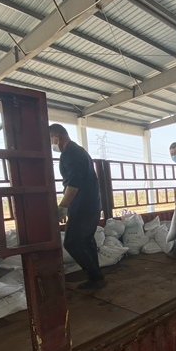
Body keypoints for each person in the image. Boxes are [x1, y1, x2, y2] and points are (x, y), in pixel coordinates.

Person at [50, 123, 104, 290]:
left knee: (72, 242)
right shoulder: (79, 151)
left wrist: (62, 207)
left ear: (56, 137)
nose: (50, 144)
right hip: (90, 205)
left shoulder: (70, 153)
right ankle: (96, 277)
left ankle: (95, 276)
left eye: (50, 140)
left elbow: (73, 185)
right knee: (86, 241)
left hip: (83, 207)